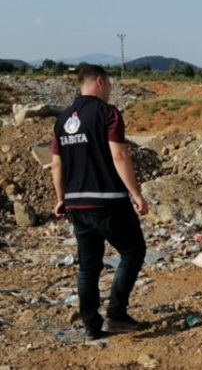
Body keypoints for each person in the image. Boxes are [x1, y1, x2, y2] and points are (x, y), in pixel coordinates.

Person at [50, 64, 148, 340]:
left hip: (76, 204)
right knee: (133, 251)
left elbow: (56, 164)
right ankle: (116, 314)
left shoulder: (62, 119)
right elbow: (119, 156)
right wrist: (136, 194)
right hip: (108, 201)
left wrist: (60, 199)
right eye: (110, 84)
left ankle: (92, 325)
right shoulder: (108, 113)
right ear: (101, 82)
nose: (111, 89)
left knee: (88, 265)